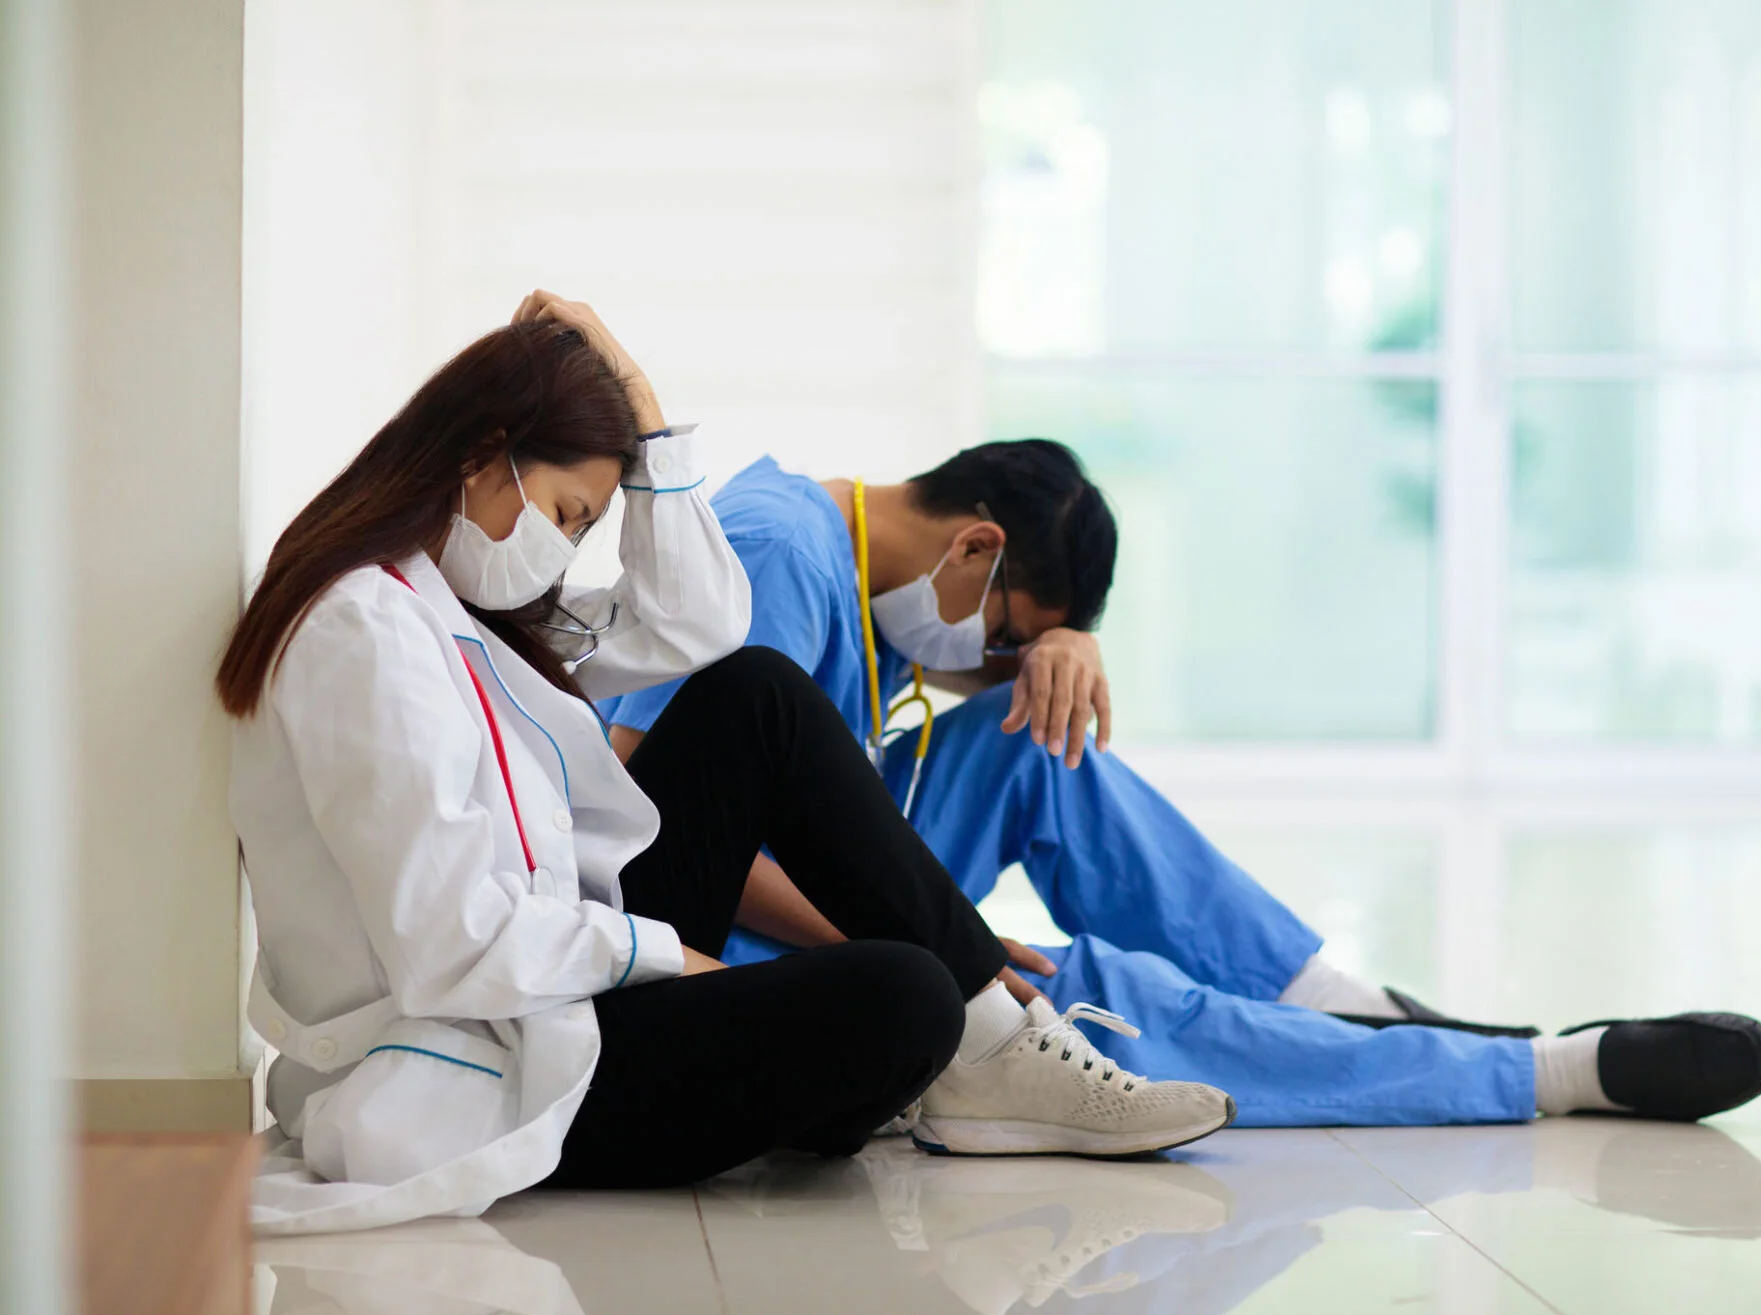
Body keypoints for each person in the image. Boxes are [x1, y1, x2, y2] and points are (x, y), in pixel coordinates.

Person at [220, 295, 1235, 1236]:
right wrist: (663, 953)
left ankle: (991, 1050)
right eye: (567, 515)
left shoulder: (460, 609)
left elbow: (702, 625)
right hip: (484, 1062)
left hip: (558, 1003)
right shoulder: (365, 632)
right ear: (485, 455)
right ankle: (969, 1050)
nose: (562, 552)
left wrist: (648, 423)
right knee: (904, 996)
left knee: (758, 694)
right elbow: (449, 943)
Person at [598, 444, 1761, 1130]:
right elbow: (666, 816)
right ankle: (1538, 1074)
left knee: (1029, 742)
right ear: (974, 548)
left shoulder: (841, 553)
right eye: (1006, 635)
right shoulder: (781, 553)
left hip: (817, 872)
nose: (992, 662)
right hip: (725, 927)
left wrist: (1055, 655)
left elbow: (861, 755)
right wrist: (948, 948)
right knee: (1086, 992)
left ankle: (1335, 998)